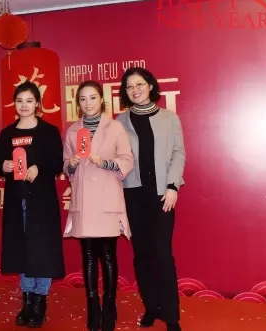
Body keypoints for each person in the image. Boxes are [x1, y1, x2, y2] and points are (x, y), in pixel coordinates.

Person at [116, 67, 185, 331]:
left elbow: (178, 153)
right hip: (133, 194)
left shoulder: (169, 118)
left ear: (150, 86)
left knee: (163, 254)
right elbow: (116, 157)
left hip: (162, 195)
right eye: (130, 86)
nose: (135, 90)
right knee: (142, 254)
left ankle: (171, 316)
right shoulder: (120, 121)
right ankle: (151, 306)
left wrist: (173, 186)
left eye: (140, 84)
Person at [63, 81, 133, 331]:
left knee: (109, 255)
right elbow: (66, 167)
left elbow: (127, 160)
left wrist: (103, 162)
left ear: (101, 100)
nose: (88, 103)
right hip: (84, 201)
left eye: (92, 97)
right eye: (82, 99)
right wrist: (71, 164)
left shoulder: (115, 127)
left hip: (107, 199)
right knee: (89, 256)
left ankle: (110, 305)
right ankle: (93, 304)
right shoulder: (72, 131)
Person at [0, 82, 65, 328]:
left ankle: (40, 300)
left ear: (37, 103)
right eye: (19, 101)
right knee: (21, 249)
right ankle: (26, 300)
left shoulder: (48, 131)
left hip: (41, 201)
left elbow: (57, 163)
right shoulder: (7, 133)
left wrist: (40, 167)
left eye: (29, 100)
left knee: (42, 249)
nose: (24, 105)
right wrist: (3, 166)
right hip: (16, 200)